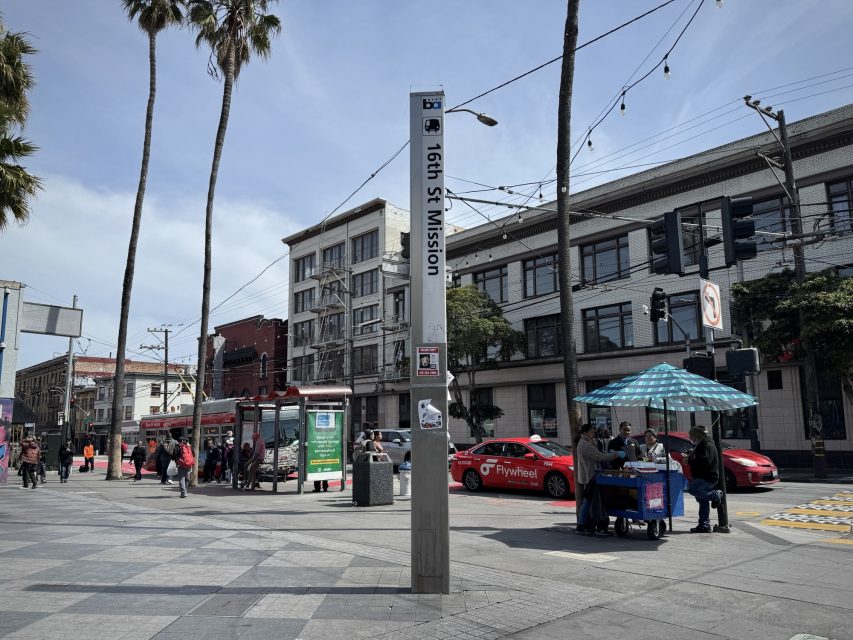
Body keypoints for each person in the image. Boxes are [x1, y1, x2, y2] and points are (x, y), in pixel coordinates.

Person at [575, 423, 623, 536]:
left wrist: (608, 453)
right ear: (585, 433)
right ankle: (599, 527)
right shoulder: (585, 444)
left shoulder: (588, 442)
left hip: (590, 476)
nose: (593, 434)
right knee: (594, 502)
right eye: (591, 432)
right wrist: (616, 454)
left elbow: (600, 454)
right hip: (591, 476)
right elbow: (599, 457)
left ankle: (583, 525)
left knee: (587, 502)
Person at [686, 425, 723, 533]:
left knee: (692, 490)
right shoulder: (701, 444)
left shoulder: (706, 445)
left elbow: (705, 462)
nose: (690, 437)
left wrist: (690, 461)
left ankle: (716, 495)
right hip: (702, 476)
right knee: (703, 500)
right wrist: (691, 456)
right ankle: (704, 525)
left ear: (696, 435)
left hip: (707, 477)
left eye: (691, 435)